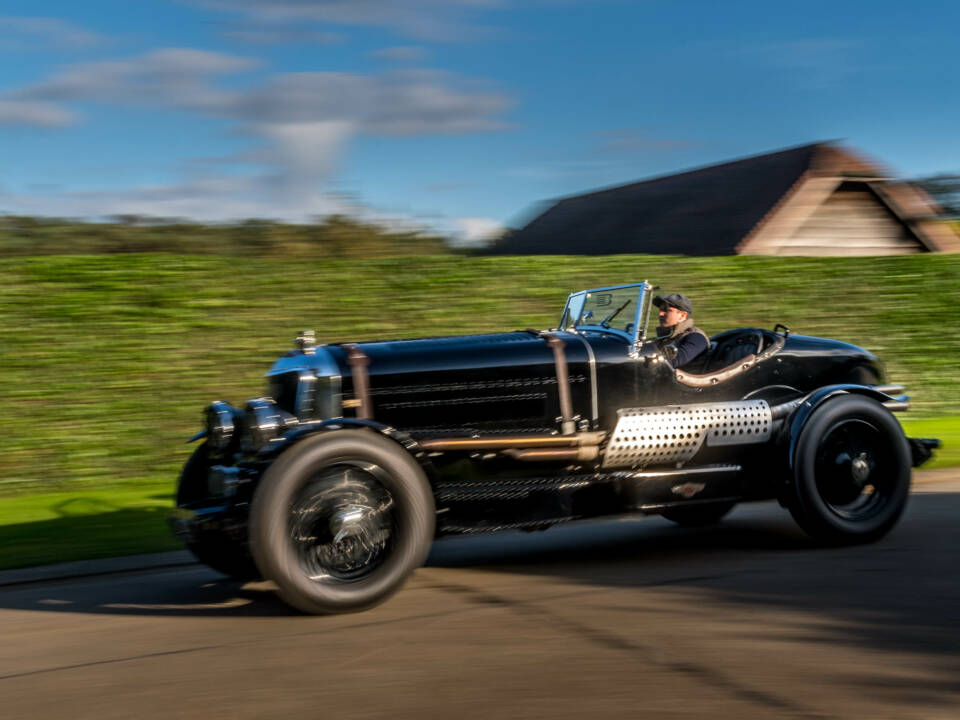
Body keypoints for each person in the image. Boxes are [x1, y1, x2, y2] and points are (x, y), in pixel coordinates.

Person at [653, 293, 709, 368]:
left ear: (682, 315)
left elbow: (677, 359)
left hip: (682, 378)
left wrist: (649, 364)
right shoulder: (666, 338)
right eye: (660, 310)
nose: (660, 314)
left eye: (666, 310)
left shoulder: (696, 337)